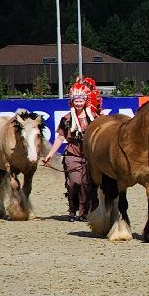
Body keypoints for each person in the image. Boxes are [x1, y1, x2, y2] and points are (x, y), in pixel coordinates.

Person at [41, 76, 102, 221]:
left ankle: (83, 212)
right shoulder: (66, 119)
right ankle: (73, 208)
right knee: (75, 182)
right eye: (76, 101)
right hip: (72, 153)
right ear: (72, 101)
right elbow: (61, 138)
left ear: (85, 101)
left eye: (81, 100)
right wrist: (50, 155)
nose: (79, 103)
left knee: (87, 184)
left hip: (89, 154)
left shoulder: (93, 117)